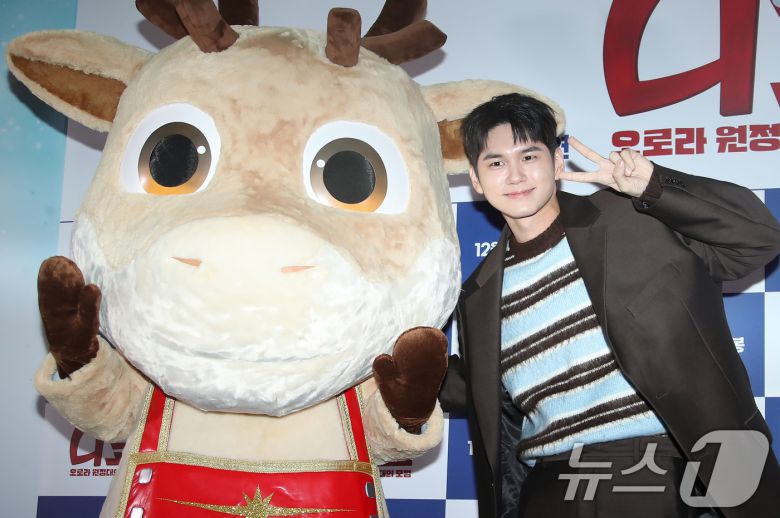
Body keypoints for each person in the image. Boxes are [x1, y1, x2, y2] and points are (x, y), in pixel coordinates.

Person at [438, 93, 780, 518]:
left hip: (653, 469)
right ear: (475, 178)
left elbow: (758, 238)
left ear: (557, 162)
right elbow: (484, 392)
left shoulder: (634, 219)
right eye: (495, 163)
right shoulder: (479, 292)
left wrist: (654, 187)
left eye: (529, 156)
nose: (515, 175)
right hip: (548, 486)